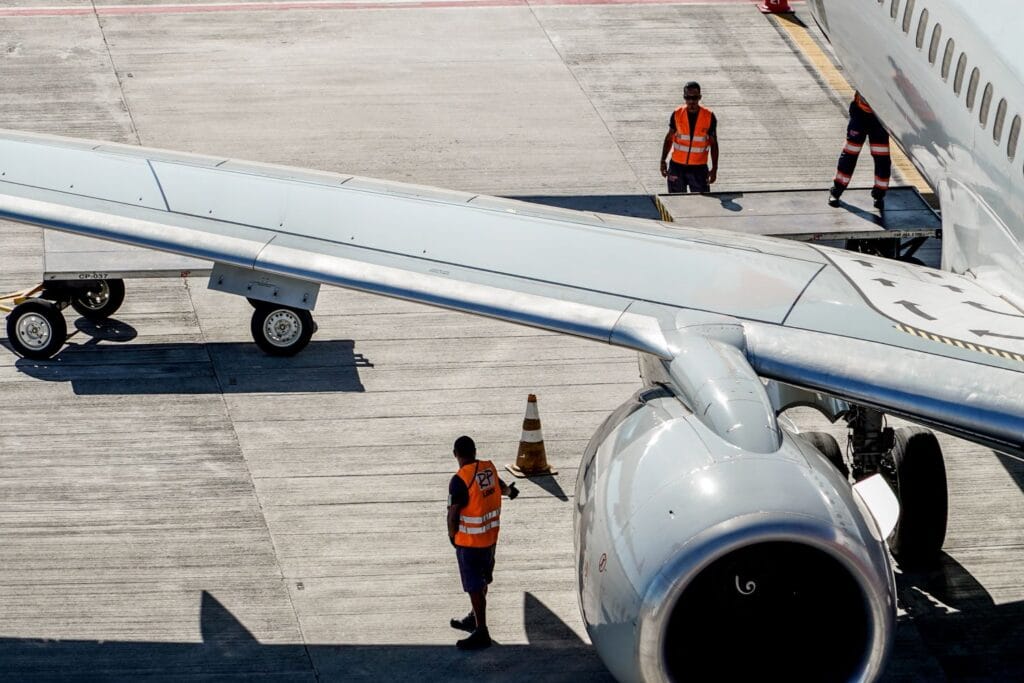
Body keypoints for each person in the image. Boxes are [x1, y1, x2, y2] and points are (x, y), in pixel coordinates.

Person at [447, 435, 516, 650]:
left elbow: (453, 512)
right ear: (475, 451)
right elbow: (500, 485)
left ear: (455, 454)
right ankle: (475, 617)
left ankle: (482, 631)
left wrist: (452, 536)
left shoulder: (460, 479)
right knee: (482, 580)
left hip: (470, 543)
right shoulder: (488, 469)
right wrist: (510, 492)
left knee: (474, 586)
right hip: (489, 538)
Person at [828, 91, 891, 210]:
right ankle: (836, 192)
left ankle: (879, 195)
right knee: (849, 153)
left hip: (880, 117)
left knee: (882, 158)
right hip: (860, 114)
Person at [660, 81, 719, 193]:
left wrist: (715, 168)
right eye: (688, 97)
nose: (691, 101)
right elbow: (669, 139)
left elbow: (714, 144)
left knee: (702, 205)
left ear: (700, 97)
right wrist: (663, 161)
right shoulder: (677, 114)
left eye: (695, 98)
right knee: (676, 204)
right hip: (677, 167)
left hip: (699, 168)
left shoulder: (708, 116)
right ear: (684, 97)